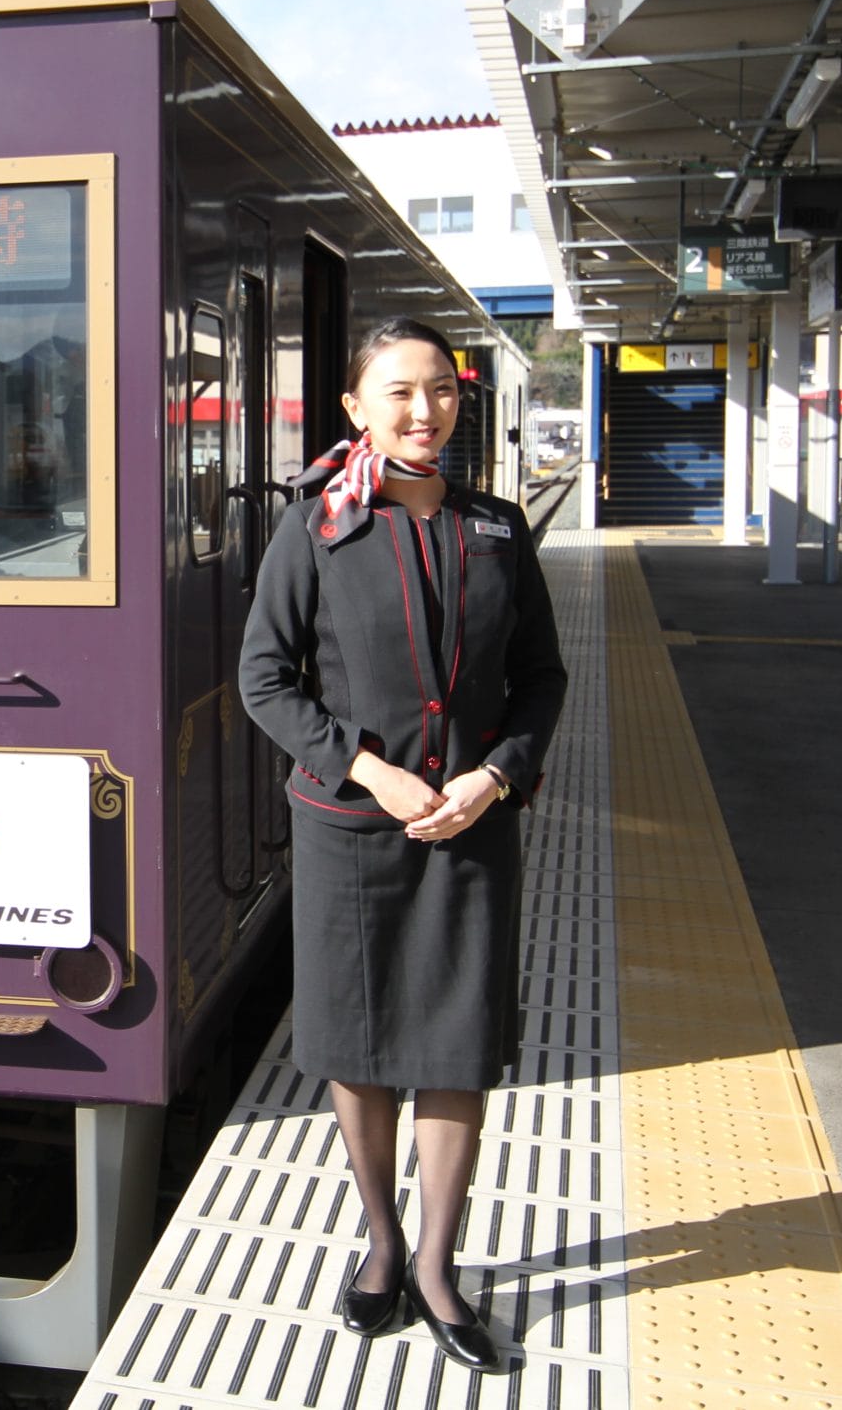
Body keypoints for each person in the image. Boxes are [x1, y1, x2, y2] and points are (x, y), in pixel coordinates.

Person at [238, 317, 568, 1370]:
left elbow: (540, 679)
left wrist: (494, 774)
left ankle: (437, 1267)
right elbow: (265, 679)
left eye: (440, 391)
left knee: (457, 1046)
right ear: (353, 409)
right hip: (348, 833)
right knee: (357, 1042)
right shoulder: (317, 530)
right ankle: (380, 1243)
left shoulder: (499, 528)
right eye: (398, 393)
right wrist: (367, 768)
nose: (423, 412)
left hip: (468, 830)